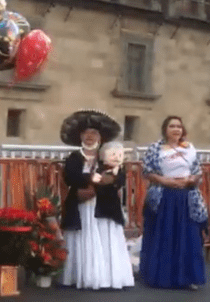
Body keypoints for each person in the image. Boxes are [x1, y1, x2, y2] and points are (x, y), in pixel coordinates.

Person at [59, 109, 134, 290]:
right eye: (86, 133)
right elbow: (70, 176)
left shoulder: (108, 155)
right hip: (83, 204)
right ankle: (83, 276)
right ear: (81, 136)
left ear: (100, 137)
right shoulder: (74, 157)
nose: (90, 136)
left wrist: (111, 180)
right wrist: (90, 180)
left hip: (105, 204)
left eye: (94, 133)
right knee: (83, 237)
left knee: (105, 236)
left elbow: (120, 177)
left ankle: (107, 277)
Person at [140, 116, 207, 289]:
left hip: (187, 197)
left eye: (178, 126)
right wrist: (164, 181)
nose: (176, 129)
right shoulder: (156, 148)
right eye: (172, 126)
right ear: (165, 129)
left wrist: (191, 179)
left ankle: (188, 278)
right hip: (164, 196)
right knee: (165, 235)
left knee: (188, 236)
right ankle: (161, 277)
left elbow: (198, 171)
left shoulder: (190, 148)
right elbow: (147, 171)